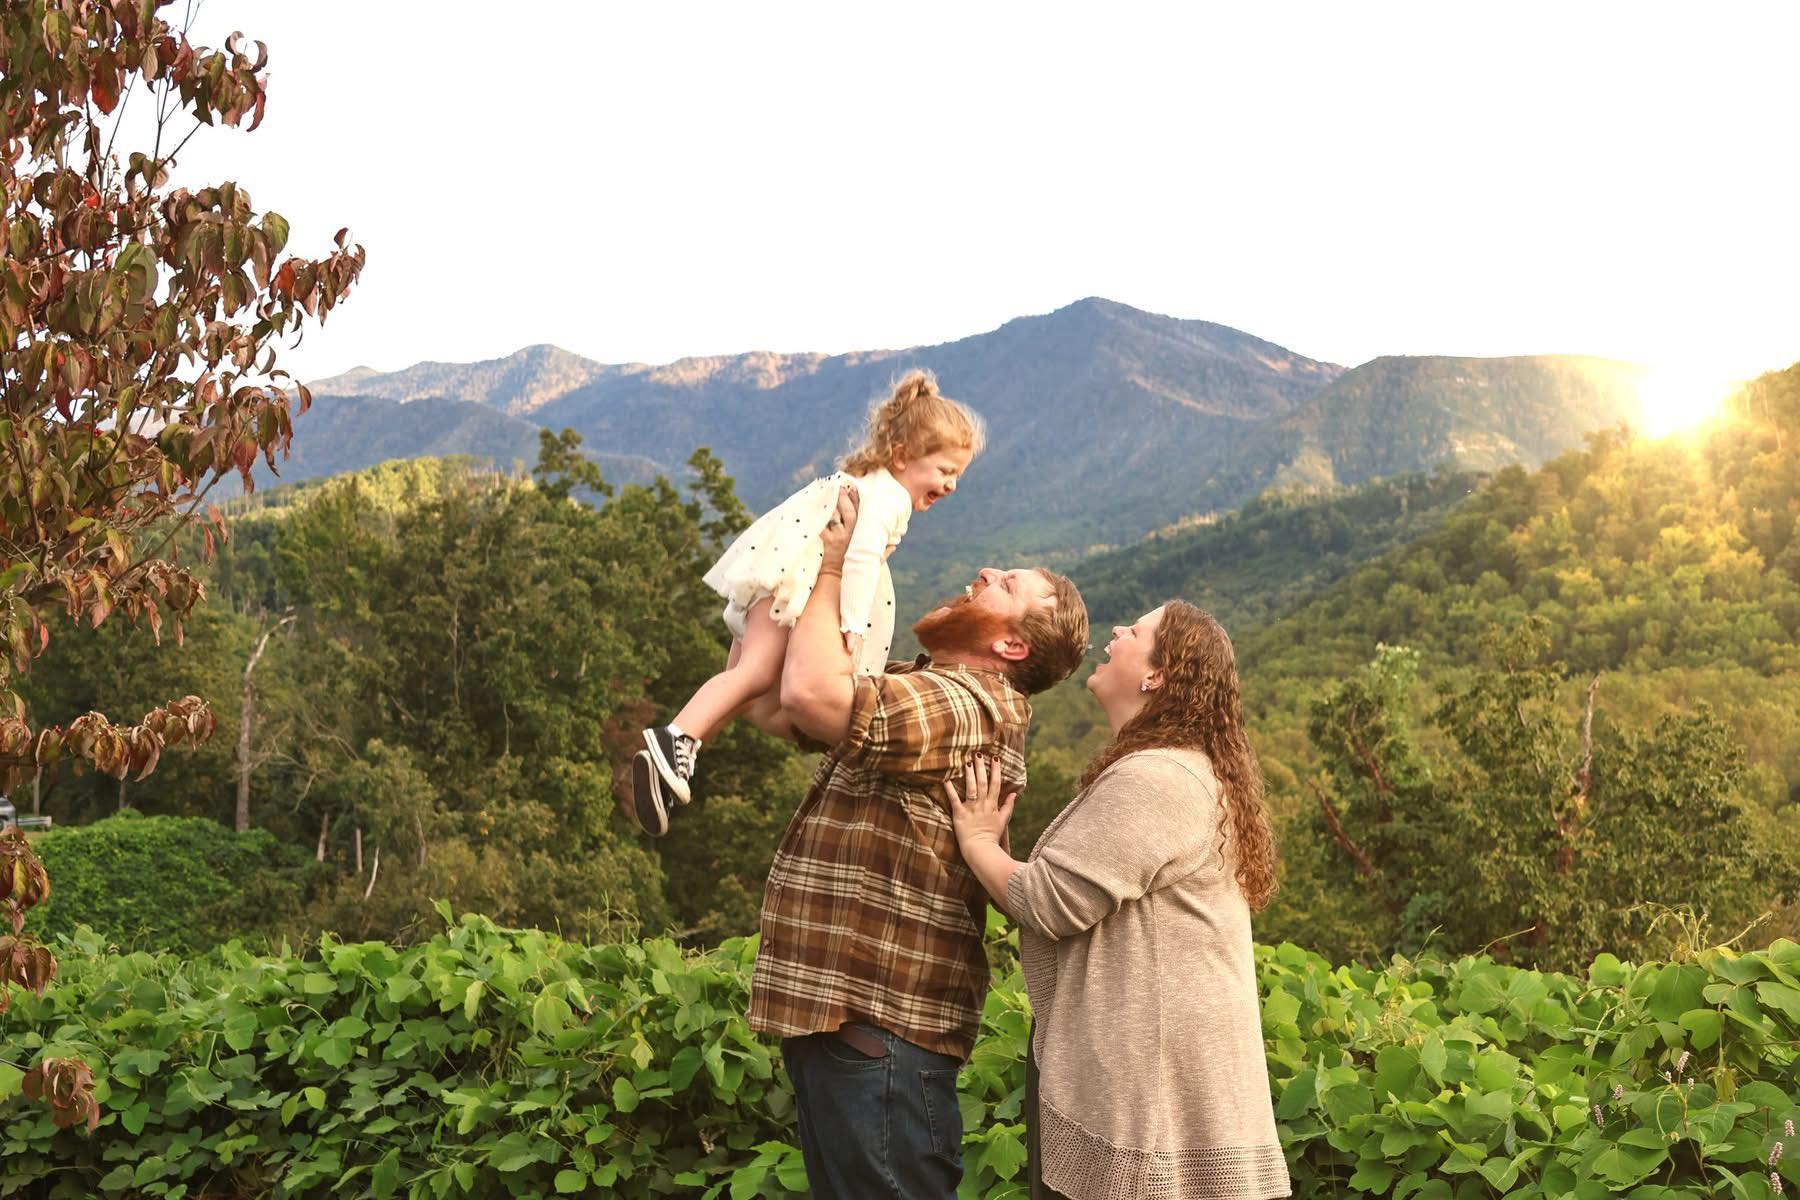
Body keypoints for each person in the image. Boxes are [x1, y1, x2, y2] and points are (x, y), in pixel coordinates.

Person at [752, 485, 1091, 1199]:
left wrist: (836, 566)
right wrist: (773, 585)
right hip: (853, 1032)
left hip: (876, 1033)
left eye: (1008, 585)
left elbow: (813, 696)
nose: (987, 571)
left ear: (1011, 646)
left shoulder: (970, 704)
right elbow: (775, 704)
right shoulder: (926, 686)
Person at [947, 601, 1291, 1200]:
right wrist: (996, 851)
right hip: (1159, 1090)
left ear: (1156, 674)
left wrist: (976, 842)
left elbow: (1047, 901)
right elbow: (1066, 893)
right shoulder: (1179, 771)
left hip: (1145, 1104)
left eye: (1134, 631)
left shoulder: (1157, 779)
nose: (1115, 632)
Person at [628, 369, 985, 836]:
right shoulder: (890, 498)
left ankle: (679, 757)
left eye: (958, 475)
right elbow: (859, 560)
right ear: (902, 456)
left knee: (744, 682)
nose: (951, 485)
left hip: (779, 577)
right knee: (755, 674)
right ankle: (674, 738)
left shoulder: (869, 481)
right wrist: (852, 625)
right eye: (945, 471)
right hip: (793, 586)